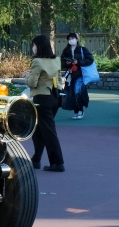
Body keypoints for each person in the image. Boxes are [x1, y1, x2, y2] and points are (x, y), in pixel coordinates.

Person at [26, 34, 64, 172]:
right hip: (55, 96)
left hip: (42, 98)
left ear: (39, 46)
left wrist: (26, 77)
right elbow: (59, 80)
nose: (33, 48)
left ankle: (58, 162)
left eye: (34, 45)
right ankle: (36, 159)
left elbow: (32, 83)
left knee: (48, 131)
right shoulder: (56, 60)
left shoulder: (37, 62)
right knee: (38, 130)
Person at [60, 33, 94, 120]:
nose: (71, 40)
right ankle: (76, 111)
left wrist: (78, 62)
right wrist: (67, 63)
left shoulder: (83, 49)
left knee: (78, 92)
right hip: (70, 75)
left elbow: (90, 60)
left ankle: (80, 110)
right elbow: (62, 62)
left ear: (77, 39)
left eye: (72, 38)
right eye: (69, 39)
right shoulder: (66, 51)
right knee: (70, 94)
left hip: (80, 75)